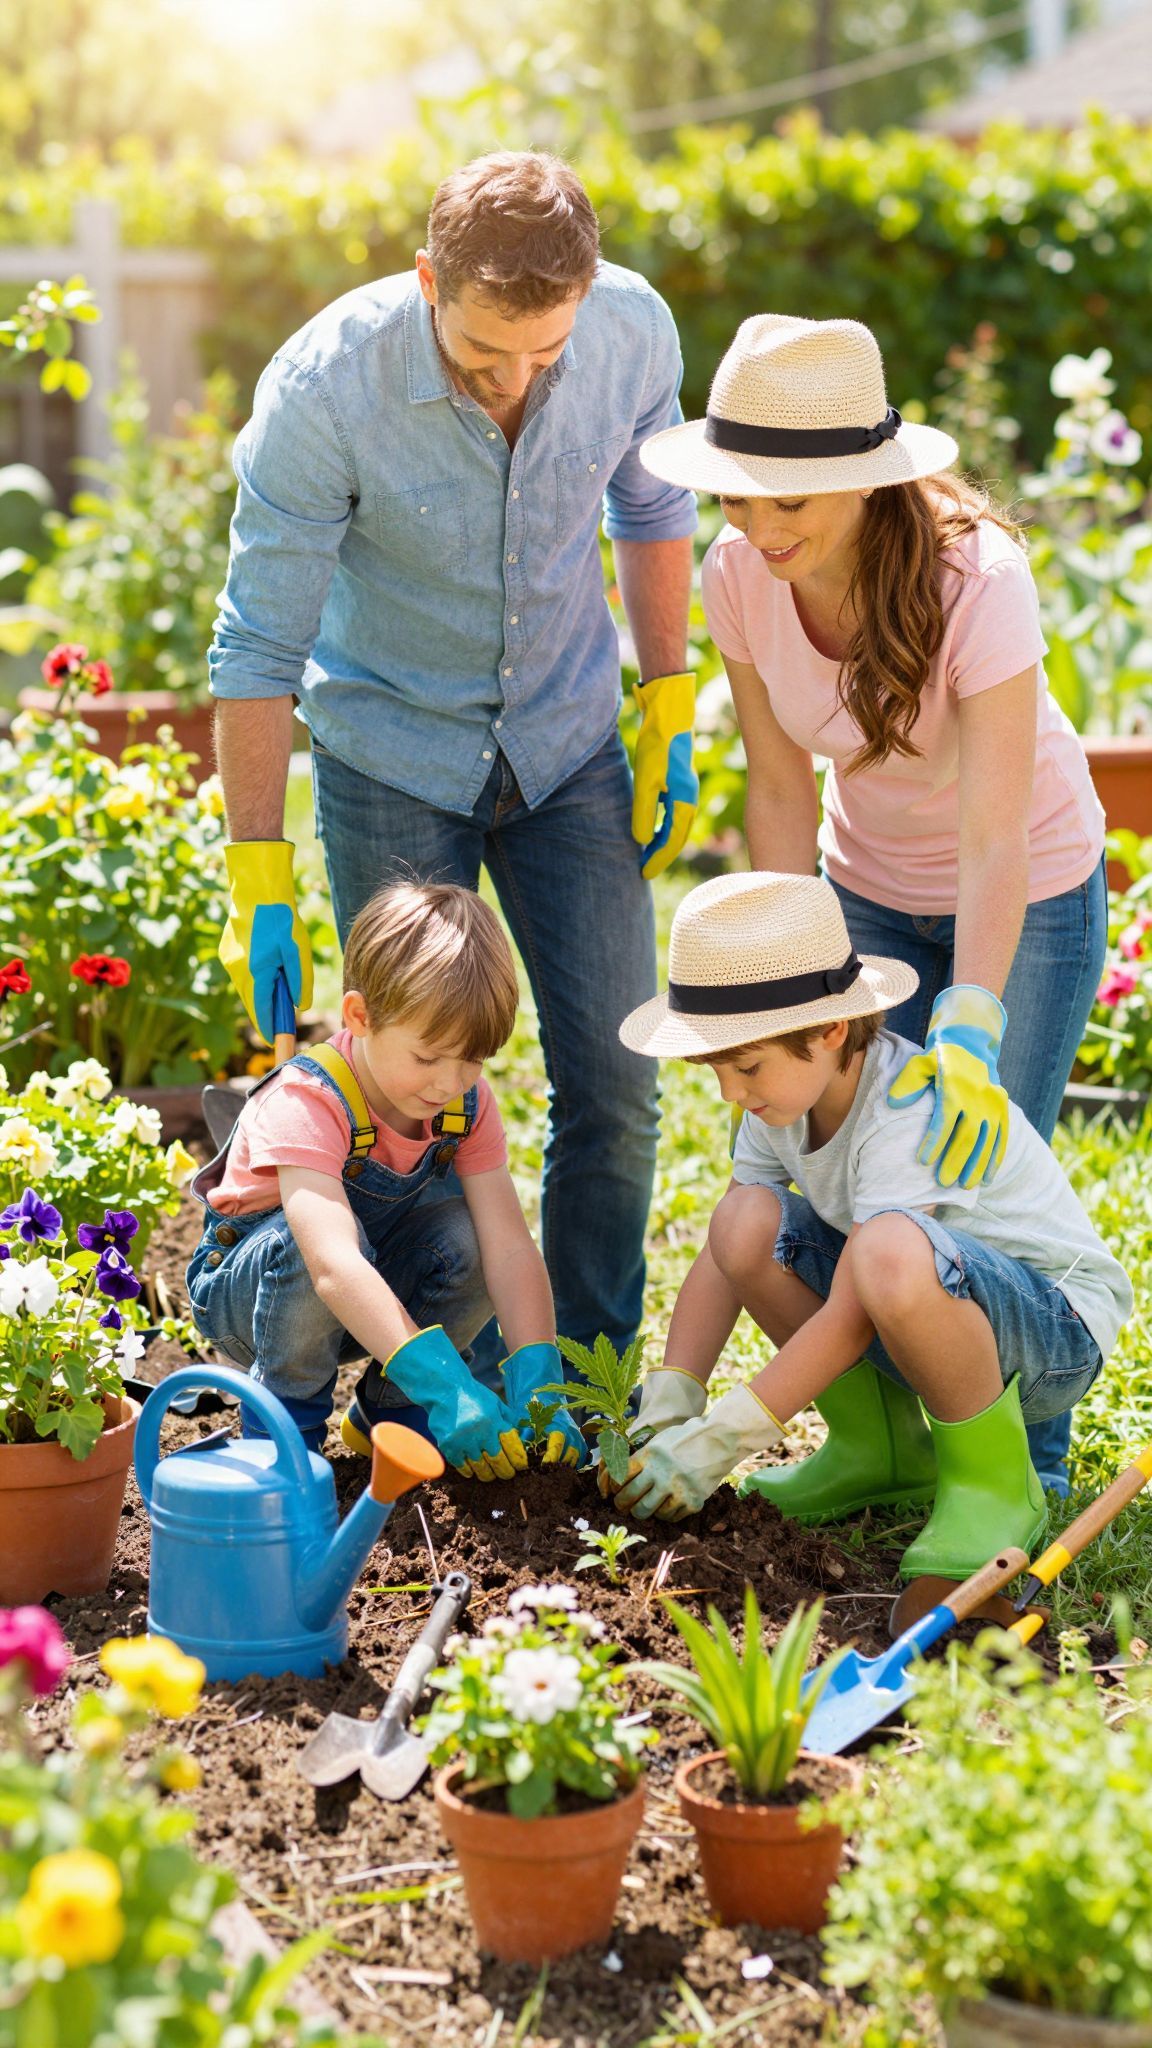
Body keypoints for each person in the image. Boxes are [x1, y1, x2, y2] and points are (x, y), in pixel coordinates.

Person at [210, 149, 699, 1375]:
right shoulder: (327, 387)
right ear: (430, 280)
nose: (517, 380)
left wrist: (672, 697)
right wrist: (256, 874)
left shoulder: (634, 333)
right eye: (487, 353)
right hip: (391, 753)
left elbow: (650, 511)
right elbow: (257, 646)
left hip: (568, 740)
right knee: (403, 1094)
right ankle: (428, 1378)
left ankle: (580, 1377)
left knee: (619, 1087)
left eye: (546, 352)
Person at [637, 312, 1108, 1497]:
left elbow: (995, 832)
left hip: (1028, 884)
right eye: (739, 498)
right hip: (864, 890)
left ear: (863, 473)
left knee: (971, 1175)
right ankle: (882, 1439)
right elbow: (783, 783)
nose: (760, 526)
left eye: (789, 499)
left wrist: (970, 1022)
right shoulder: (739, 574)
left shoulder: (974, 576)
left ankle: (1016, 1465)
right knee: (845, 1168)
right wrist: (773, 956)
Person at [605, 874, 1131, 1581]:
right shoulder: (784, 1101)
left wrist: (730, 1435)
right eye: (715, 1069)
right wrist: (678, 1392)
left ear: (829, 1030)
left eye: (746, 1065)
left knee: (883, 1249)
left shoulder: (903, 1108)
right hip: (926, 1311)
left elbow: (858, 1305)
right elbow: (725, 1254)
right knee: (742, 1222)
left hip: (1053, 1334)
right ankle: (878, 1452)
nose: (731, 1091)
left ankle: (994, 1483)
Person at [187, 880, 584, 1474]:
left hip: (366, 1302)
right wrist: (446, 1385)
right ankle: (284, 1437)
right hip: (255, 1301)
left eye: (472, 1059)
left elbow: (509, 1246)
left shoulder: (465, 1104)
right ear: (360, 1016)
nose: (448, 1082)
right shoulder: (309, 1099)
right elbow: (331, 1266)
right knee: (307, 1243)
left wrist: (539, 1375)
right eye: (427, 1057)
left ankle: (392, 1415)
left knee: (473, 1234)